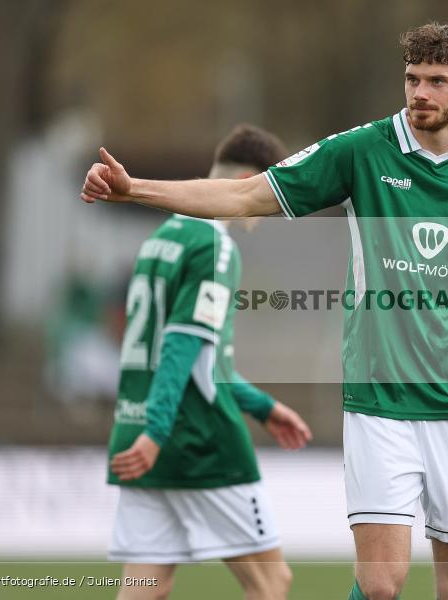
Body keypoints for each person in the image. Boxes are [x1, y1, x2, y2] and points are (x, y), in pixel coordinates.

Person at [82, 23, 448, 600]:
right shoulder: (361, 151)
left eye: (436, 81)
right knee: (380, 586)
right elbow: (246, 194)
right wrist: (136, 190)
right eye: (412, 79)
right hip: (380, 405)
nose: (420, 93)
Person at [105, 124, 312, 600]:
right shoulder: (215, 246)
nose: (269, 210)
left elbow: (202, 358)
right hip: (196, 439)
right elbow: (183, 346)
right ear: (243, 182)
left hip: (136, 431)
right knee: (271, 582)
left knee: (146, 586)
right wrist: (159, 431)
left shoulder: (162, 239)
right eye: (268, 194)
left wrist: (263, 407)